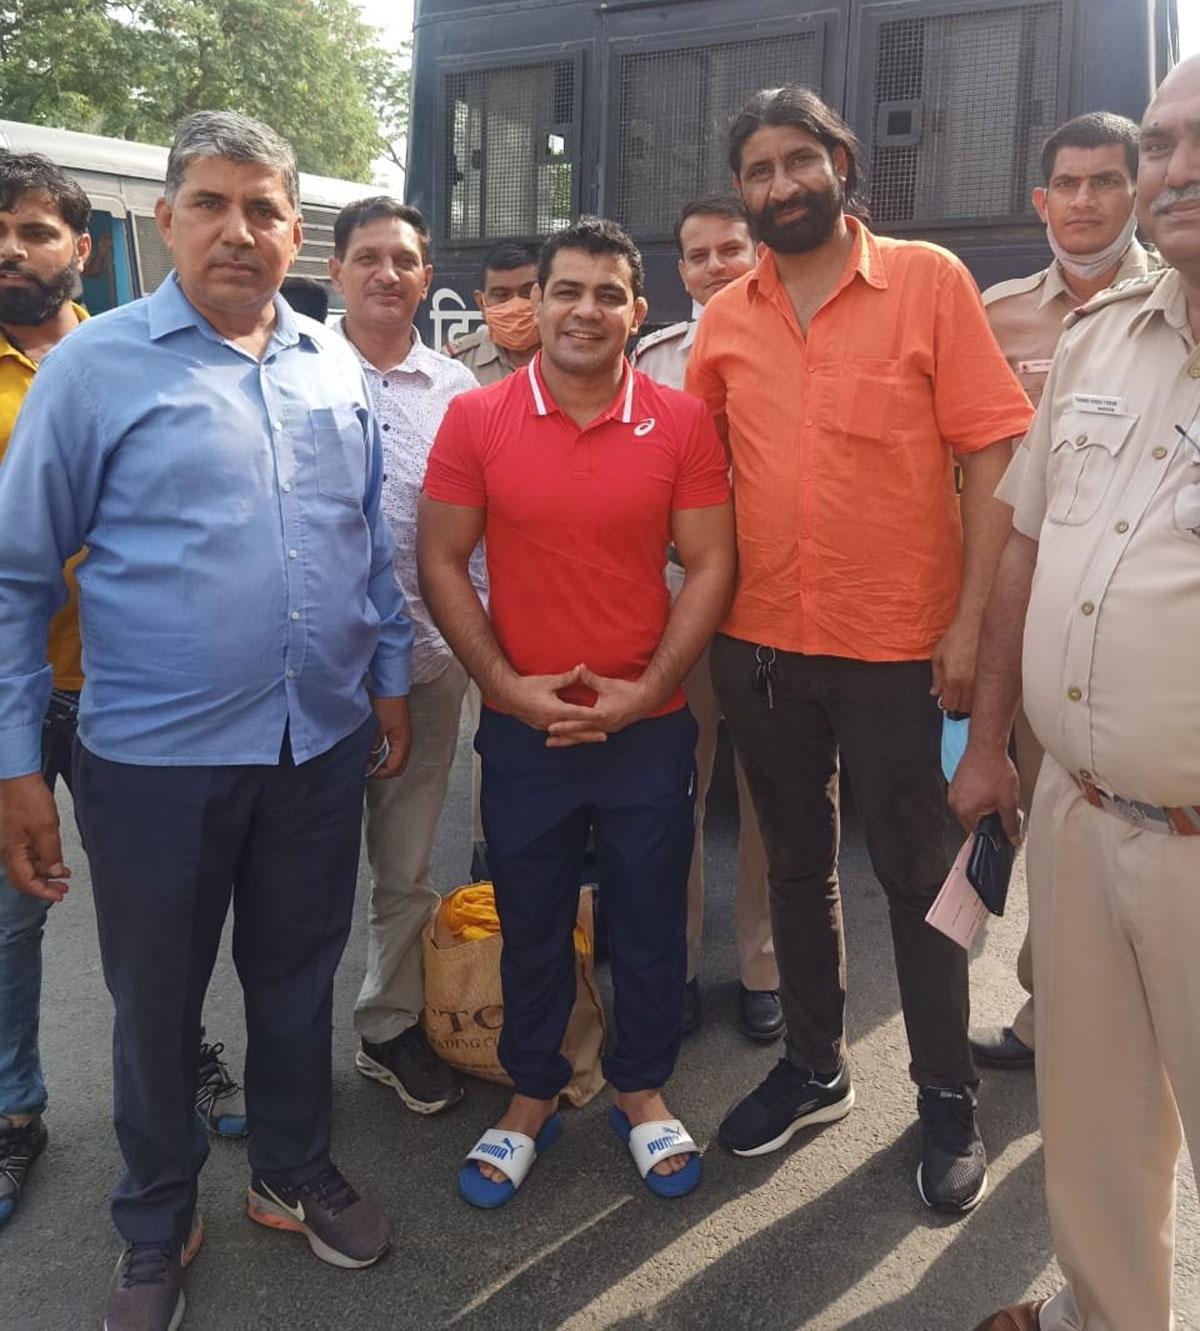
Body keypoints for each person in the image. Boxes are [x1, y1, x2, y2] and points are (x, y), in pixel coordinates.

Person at [0, 111, 414, 1329]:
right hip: (152, 762)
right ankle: (155, 1210)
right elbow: (19, 579)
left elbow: (366, 547)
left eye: (266, 208)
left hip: (316, 744)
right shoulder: (96, 366)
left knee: (297, 976)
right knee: (157, 998)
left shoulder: (335, 364)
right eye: (212, 204)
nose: (240, 230)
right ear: (166, 218)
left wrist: (387, 675)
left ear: (299, 230)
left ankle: (290, 1168)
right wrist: (18, 765)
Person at [686, 86, 1033, 1214]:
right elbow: (696, 482)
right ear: (743, 190)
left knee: (921, 878)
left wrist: (971, 624)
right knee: (792, 865)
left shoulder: (928, 281)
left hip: (899, 647)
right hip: (762, 649)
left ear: (840, 161)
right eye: (759, 170)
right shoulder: (725, 319)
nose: (781, 184)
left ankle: (945, 1094)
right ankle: (815, 1065)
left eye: (799, 160)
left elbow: (990, 459)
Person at [419, 217, 735, 1207]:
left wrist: (648, 687)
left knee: (648, 918)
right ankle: (531, 1093)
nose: (585, 309)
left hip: (648, 722)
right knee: (532, 916)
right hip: (526, 725)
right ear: (532, 303)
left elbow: (714, 561)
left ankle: (640, 1087)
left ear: (638, 312)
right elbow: (439, 559)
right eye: (567, 290)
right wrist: (507, 687)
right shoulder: (477, 419)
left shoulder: (681, 422)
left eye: (608, 293)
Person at [956, 56, 1200, 1331]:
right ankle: (1106, 1315)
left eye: (1184, 145)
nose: (1172, 169)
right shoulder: (1103, 341)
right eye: (1161, 142)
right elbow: (1027, 550)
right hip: (1075, 807)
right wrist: (993, 739)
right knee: (1094, 1114)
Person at [0, 152, 248, 1236]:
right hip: (16, 687)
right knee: (14, 910)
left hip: (130, 695)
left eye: (37, 231)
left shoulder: (135, 357)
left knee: (153, 911)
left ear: (82, 249)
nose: (15, 249)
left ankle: (176, 1054)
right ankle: (13, 1106)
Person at [971, 110, 1160, 1073]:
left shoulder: (1175, 305)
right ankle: (1058, 1017)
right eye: (1067, 186)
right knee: (1047, 818)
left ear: (1139, 190)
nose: (1084, 203)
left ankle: (1090, 1028)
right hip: (1022, 606)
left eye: (1107, 182)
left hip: (1134, 626)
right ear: (1041, 200)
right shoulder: (991, 312)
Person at [329, 196, 480, 1115]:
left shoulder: (458, 391)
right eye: (369, 257)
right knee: (292, 878)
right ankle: (286, 1044)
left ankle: (388, 1026)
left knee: (406, 862)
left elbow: (484, 534)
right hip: (311, 677)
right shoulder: (295, 370)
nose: (389, 273)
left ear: (427, 276)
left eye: (406, 259)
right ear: (338, 270)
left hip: (426, 667)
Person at [632, 195, 779, 1040]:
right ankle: (675, 962)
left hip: (771, 607)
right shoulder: (651, 361)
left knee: (772, 793)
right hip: (678, 607)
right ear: (679, 269)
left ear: (757, 251)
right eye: (699, 254)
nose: (717, 264)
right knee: (670, 794)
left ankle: (761, 961)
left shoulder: (796, 344)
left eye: (732, 248)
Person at [447, 239, 541, 385]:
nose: (515, 305)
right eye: (502, 295)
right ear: (481, 303)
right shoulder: (454, 363)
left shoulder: (569, 357)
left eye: (527, 292)